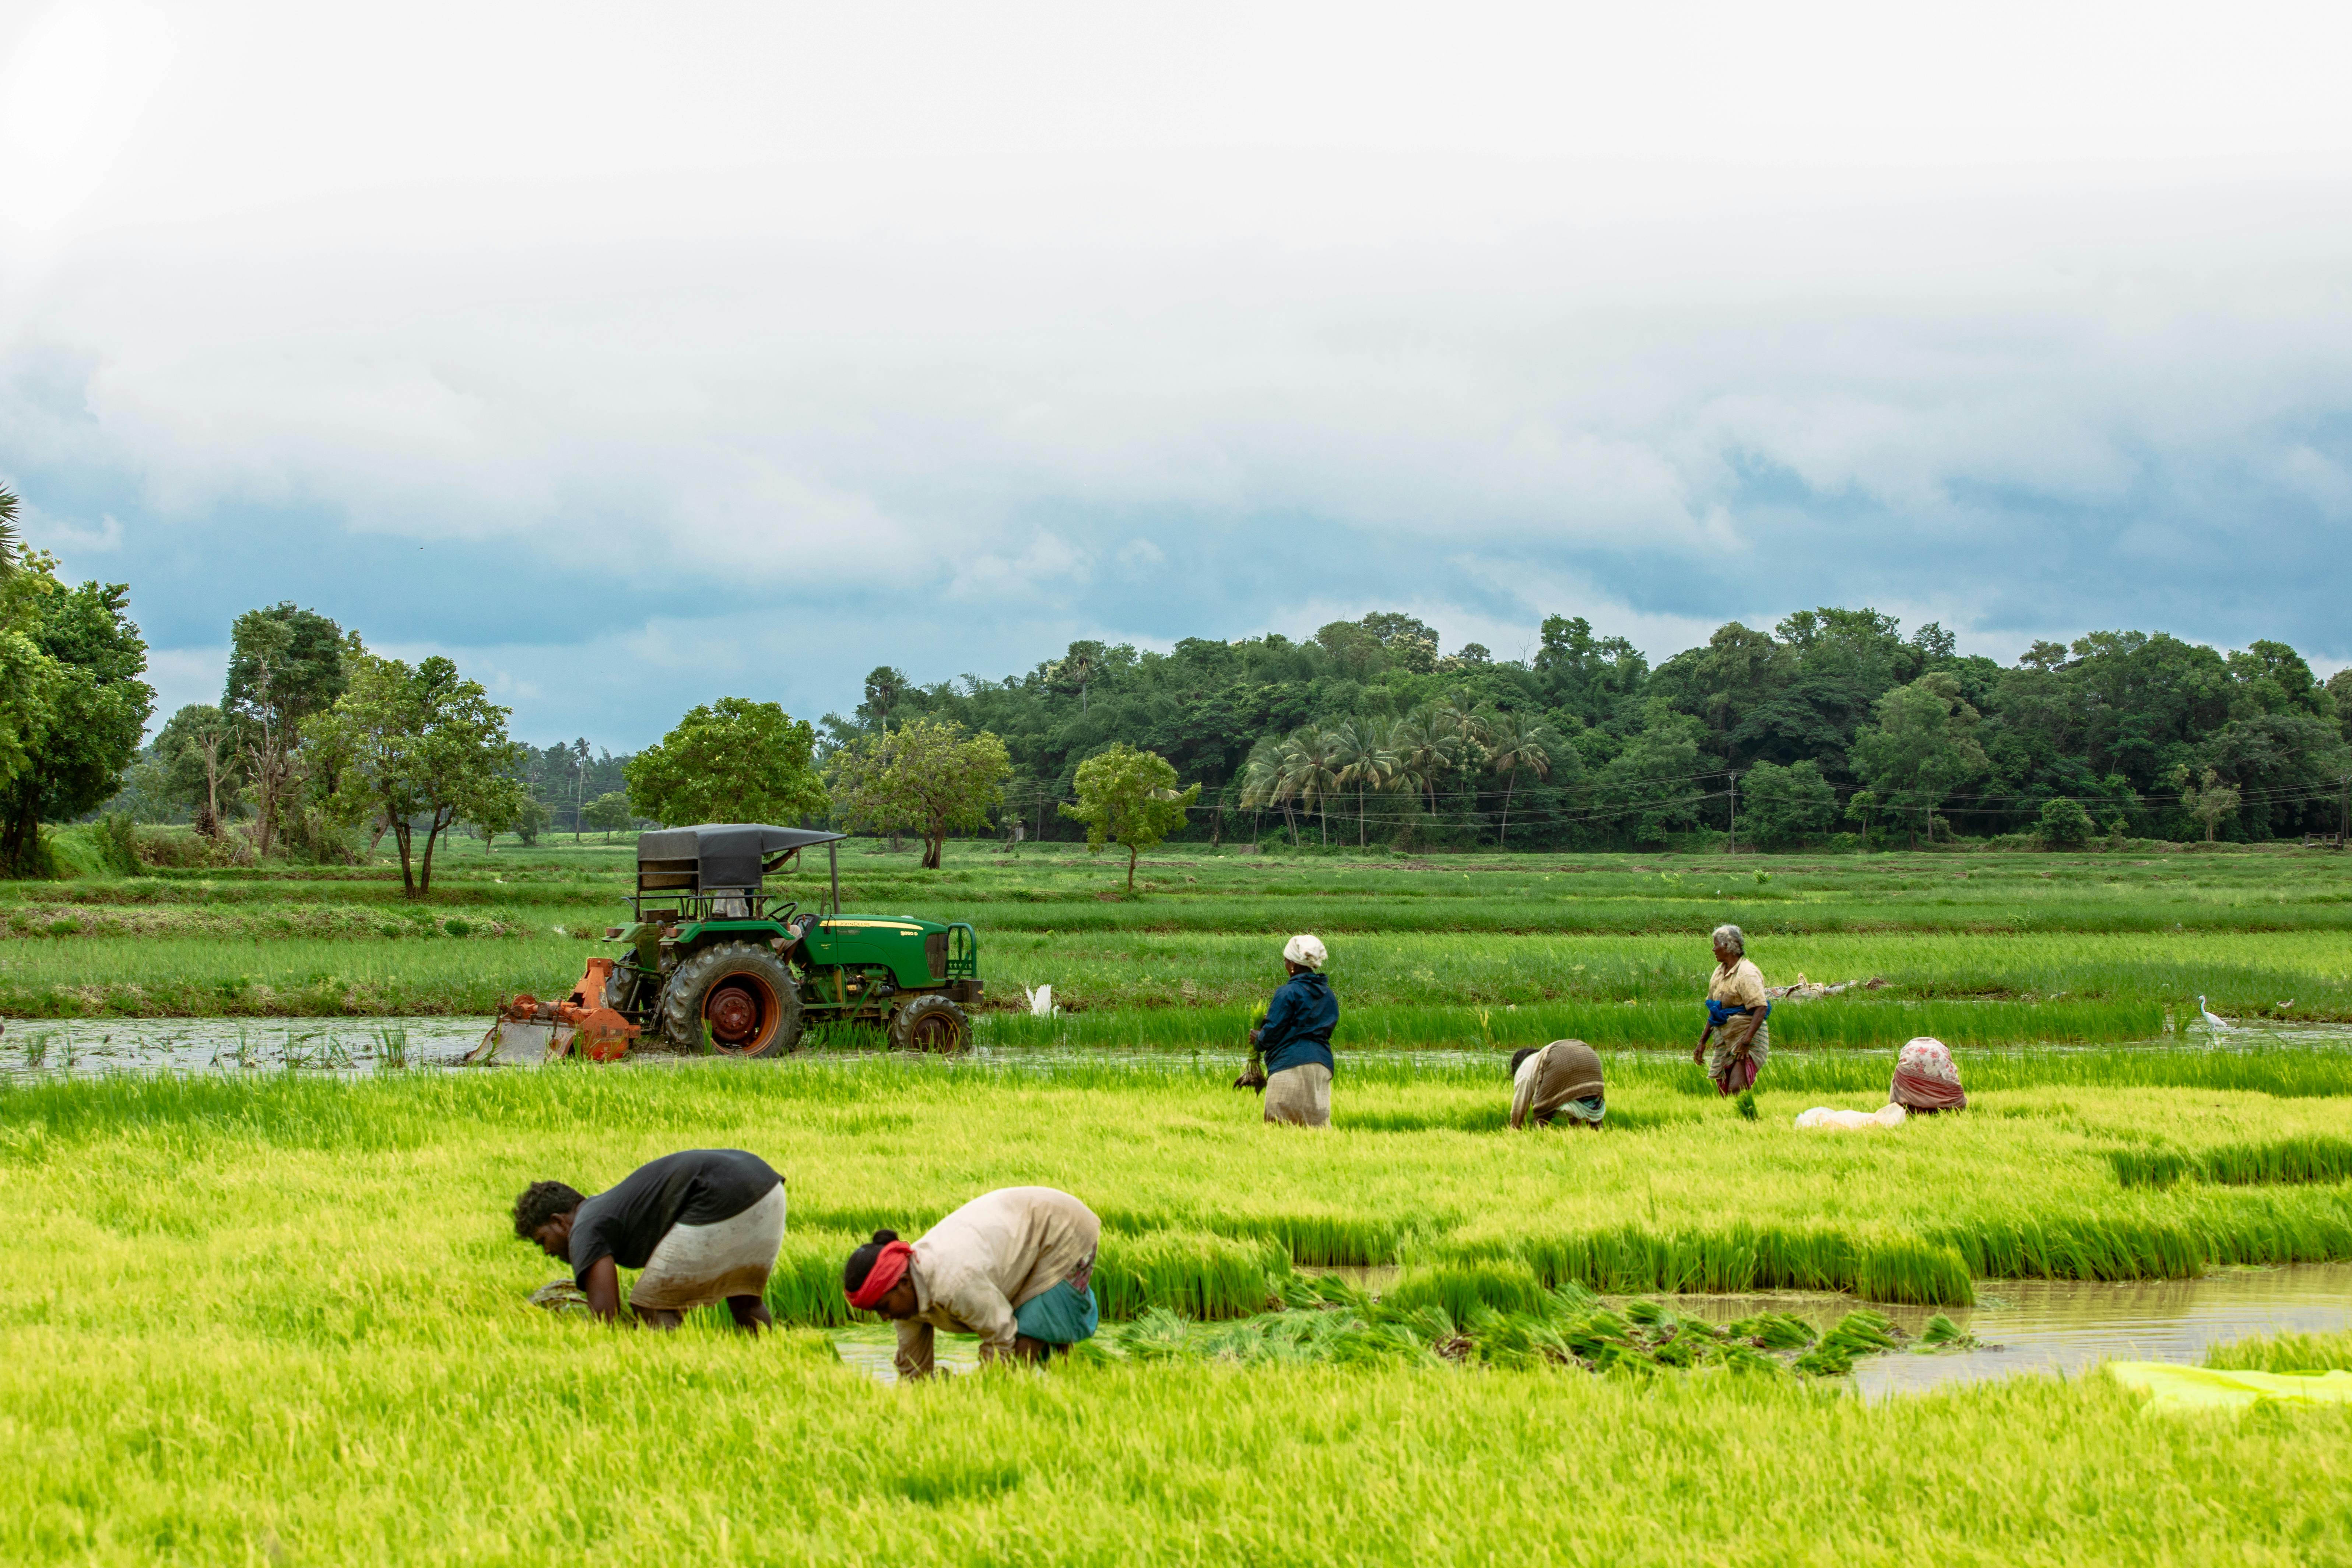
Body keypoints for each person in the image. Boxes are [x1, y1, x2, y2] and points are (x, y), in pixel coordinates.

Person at [842, 1186, 1101, 1380]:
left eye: (883, 1306)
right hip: (1017, 1235)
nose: (885, 1317)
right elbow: (914, 1370)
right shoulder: (905, 1304)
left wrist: (979, 1392)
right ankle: (1075, 1387)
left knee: (1030, 1335)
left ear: (905, 1282)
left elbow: (1001, 1335)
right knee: (1041, 1343)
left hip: (1060, 1228)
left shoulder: (954, 1281)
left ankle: (1072, 1391)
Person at [513, 1148, 784, 1332]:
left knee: (650, 1303)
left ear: (559, 1221)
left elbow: (606, 1316)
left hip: (720, 1192)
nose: (547, 1251)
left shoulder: (585, 1226)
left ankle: (673, 1373)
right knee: (745, 1301)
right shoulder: (604, 1211)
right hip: (768, 1187)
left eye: (542, 1240)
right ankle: (770, 1363)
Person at [1233, 934, 1338, 1126]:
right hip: (1322, 1066)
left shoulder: (1287, 993)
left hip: (1290, 1066)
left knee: (1280, 1127)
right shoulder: (1328, 995)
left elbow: (1273, 1032)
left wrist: (1258, 1038)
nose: (1285, 965)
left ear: (1292, 965)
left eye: (1285, 961)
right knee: (1316, 1128)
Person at [1694, 923, 1769, 1097]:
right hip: (1725, 1035)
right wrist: (1702, 1042)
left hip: (1747, 1035)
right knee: (1726, 1089)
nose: (1713, 949)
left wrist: (1746, 1041)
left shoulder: (1747, 973)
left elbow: (1761, 1007)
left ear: (1727, 946)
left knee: (1737, 1088)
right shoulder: (1719, 973)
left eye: (1716, 945)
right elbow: (1714, 1011)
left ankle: (1748, 1118)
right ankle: (1736, 1119)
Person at [1509, 1039, 1606, 1129]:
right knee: (1590, 1106)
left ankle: (1540, 1137)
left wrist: (1515, 1128)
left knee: (1542, 1112)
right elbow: (1573, 1091)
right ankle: (1600, 1134)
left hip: (1563, 1058)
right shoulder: (1541, 1057)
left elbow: (1520, 1106)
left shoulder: (1524, 1067)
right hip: (1590, 1056)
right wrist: (1575, 1128)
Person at [1890, 1035, 1967, 1112]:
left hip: (1911, 1054)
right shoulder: (1941, 1047)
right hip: (1936, 1055)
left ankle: (1903, 1107)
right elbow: (1950, 1072)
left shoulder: (1909, 1046)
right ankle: (1950, 1107)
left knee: (1900, 1076)